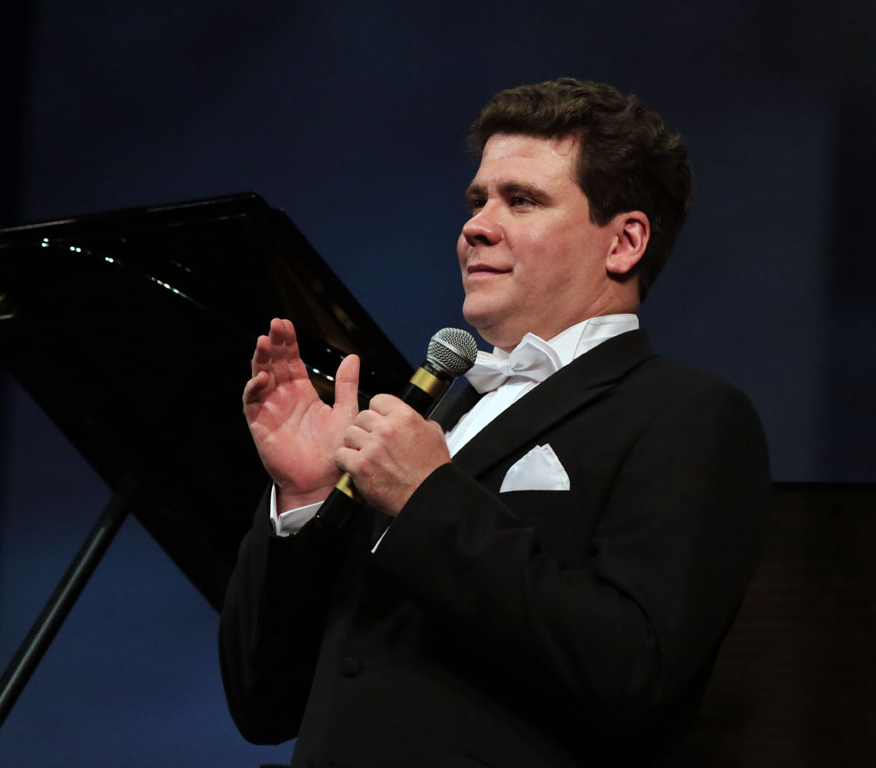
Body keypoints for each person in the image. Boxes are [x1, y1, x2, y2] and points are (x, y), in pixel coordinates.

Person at [219, 78, 770, 767]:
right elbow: (263, 704)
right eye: (477, 200)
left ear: (625, 242)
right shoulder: (441, 412)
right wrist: (305, 503)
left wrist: (428, 499)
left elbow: (635, 668)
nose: (476, 226)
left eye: (522, 200)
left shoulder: (687, 414)